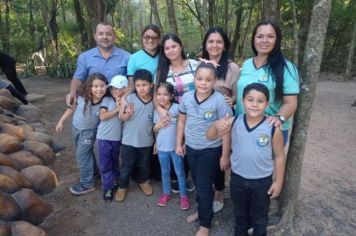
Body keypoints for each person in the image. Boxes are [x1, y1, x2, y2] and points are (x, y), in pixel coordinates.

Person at [207, 83, 286, 236]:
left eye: (260, 101)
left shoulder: (272, 127)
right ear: (243, 101)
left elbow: (279, 156)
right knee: (240, 217)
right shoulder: (233, 122)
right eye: (250, 100)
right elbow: (210, 136)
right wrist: (216, 125)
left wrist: (278, 182)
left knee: (260, 219)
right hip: (238, 180)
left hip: (262, 182)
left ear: (267, 104)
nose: (255, 104)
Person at [176, 63, 233, 236]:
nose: (203, 83)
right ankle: (203, 211)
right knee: (199, 181)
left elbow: (226, 130)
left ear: (215, 81)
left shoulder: (220, 101)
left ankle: (205, 224)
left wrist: (224, 155)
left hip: (210, 151)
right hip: (191, 149)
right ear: (194, 79)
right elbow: (181, 121)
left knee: (202, 187)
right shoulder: (186, 97)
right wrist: (179, 143)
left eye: (208, 80)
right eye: (200, 79)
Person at [236, 20, 300, 144]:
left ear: (277, 40)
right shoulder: (247, 64)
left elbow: (291, 103)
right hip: (241, 125)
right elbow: (241, 93)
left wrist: (279, 117)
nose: (264, 40)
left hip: (269, 129)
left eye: (270, 36)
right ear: (254, 39)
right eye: (260, 36)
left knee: (267, 163)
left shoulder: (286, 67)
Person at [201, 26, 241, 213]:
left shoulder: (232, 68)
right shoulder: (198, 64)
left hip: (222, 118)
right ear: (206, 45)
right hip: (200, 118)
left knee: (219, 155)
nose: (214, 45)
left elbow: (237, 96)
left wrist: (231, 99)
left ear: (224, 45)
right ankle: (206, 186)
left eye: (219, 41)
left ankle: (219, 191)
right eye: (211, 41)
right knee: (204, 154)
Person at [157, 33, 199, 193]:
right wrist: (161, 110)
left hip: (195, 114)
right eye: (167, 48)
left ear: (180, 46)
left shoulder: (194, 65)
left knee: (192, 146)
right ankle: (179, 177)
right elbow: (156, 94)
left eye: (174, 46)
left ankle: (193, 177)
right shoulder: (161, 70)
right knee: (177, 144)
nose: (170, 50)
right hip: (174, 115)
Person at [55, 73, 108, 195]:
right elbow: (71, 108)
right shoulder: (81, 97)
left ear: (107, 86)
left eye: (102, 86)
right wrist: (61, 121)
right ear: (89, 87)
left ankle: (87, 184)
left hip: (89, 132)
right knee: (86, 153)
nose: (99, 89)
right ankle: (94, 174)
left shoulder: (106, 101)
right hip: (76, 128)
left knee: (82, 156)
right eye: (95, 86)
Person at [122, 24, 161, 181]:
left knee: (157, 133)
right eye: (147, 37)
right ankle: (135, 173)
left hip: (160, 99)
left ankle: (155, 172)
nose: (150, 40)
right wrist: (124, 98)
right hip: (141, 100)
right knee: (140, 133)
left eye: (154, 37)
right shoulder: (134, 58)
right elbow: (132, 84)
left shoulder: (163, 55)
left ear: (159, 39)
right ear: (142, 38)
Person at [66, 22, 130, 107]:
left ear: (114, 37)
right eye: (100, 34)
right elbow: (78, 78)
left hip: (117, 103)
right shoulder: (85, 57)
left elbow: (132, 81)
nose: (104, 37)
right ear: (95, 37)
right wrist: (72, 93)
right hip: (92, 103)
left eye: (108, 34)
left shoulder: (127, 57)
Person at [115, 69, 154, 202]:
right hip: (128, 141)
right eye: (138, 86)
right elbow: (121, 117)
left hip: (146, 141)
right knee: (126, 165)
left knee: (144, 164)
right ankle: (122, 186)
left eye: (144, 85)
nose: (141, 88)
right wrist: (127, 114)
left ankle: (144, 182)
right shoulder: (130, 99)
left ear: (151, 85)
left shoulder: (155, 101)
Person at [153, 82, 190, 210]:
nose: (161, 97)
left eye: (165, 94)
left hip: (176, 148)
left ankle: (184, 196)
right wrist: (157, 129)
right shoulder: (157, 111)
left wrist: (184, 143)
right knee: (165, 171)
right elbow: (155, 129)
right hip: (162, 148)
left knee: (180, 172)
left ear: (171, 95)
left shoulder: (177, 108)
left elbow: (184, 127)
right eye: (158, 94)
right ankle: (166, 193)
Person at [96, 75, 128, 201]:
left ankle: (116, 180)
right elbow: (103, 116)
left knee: (115, 161)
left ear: (125, 89)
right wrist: (118, 108)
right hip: (103, 137)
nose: (114, 91)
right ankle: (108, 187)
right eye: (113, 88)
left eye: (117, 88)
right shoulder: (107, 100)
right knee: (106, 163)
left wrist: (122, 104)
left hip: (117, 138)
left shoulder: (127, 101)